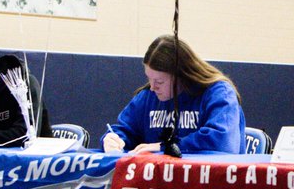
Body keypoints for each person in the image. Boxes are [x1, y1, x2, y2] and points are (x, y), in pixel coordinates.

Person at [102, 36, 245, 155]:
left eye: (159, 81)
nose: (152, 87)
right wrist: (112, 139)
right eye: (149, 78)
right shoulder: (147, 97)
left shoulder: (219, 93)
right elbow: (124, 129)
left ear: (182, 76)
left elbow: (222, 141)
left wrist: (166, 147)